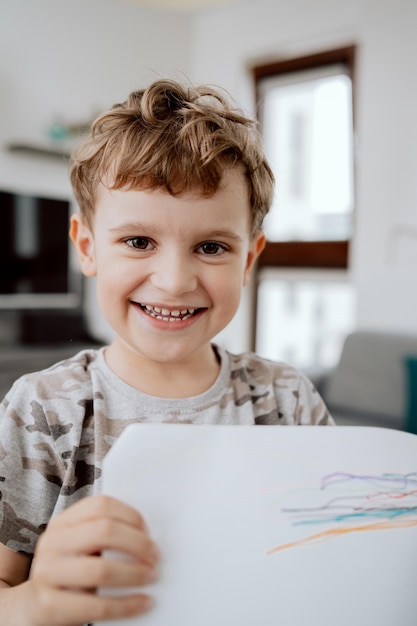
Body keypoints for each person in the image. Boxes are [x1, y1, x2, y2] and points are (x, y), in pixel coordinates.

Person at [0, 78, 333, 625]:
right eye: (138, 241)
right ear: (87, 248)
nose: (175, 281)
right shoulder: (42, 410)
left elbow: (330, 567)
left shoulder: (288, 402)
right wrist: (35, 599)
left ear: (248, 260)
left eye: (211, 247)